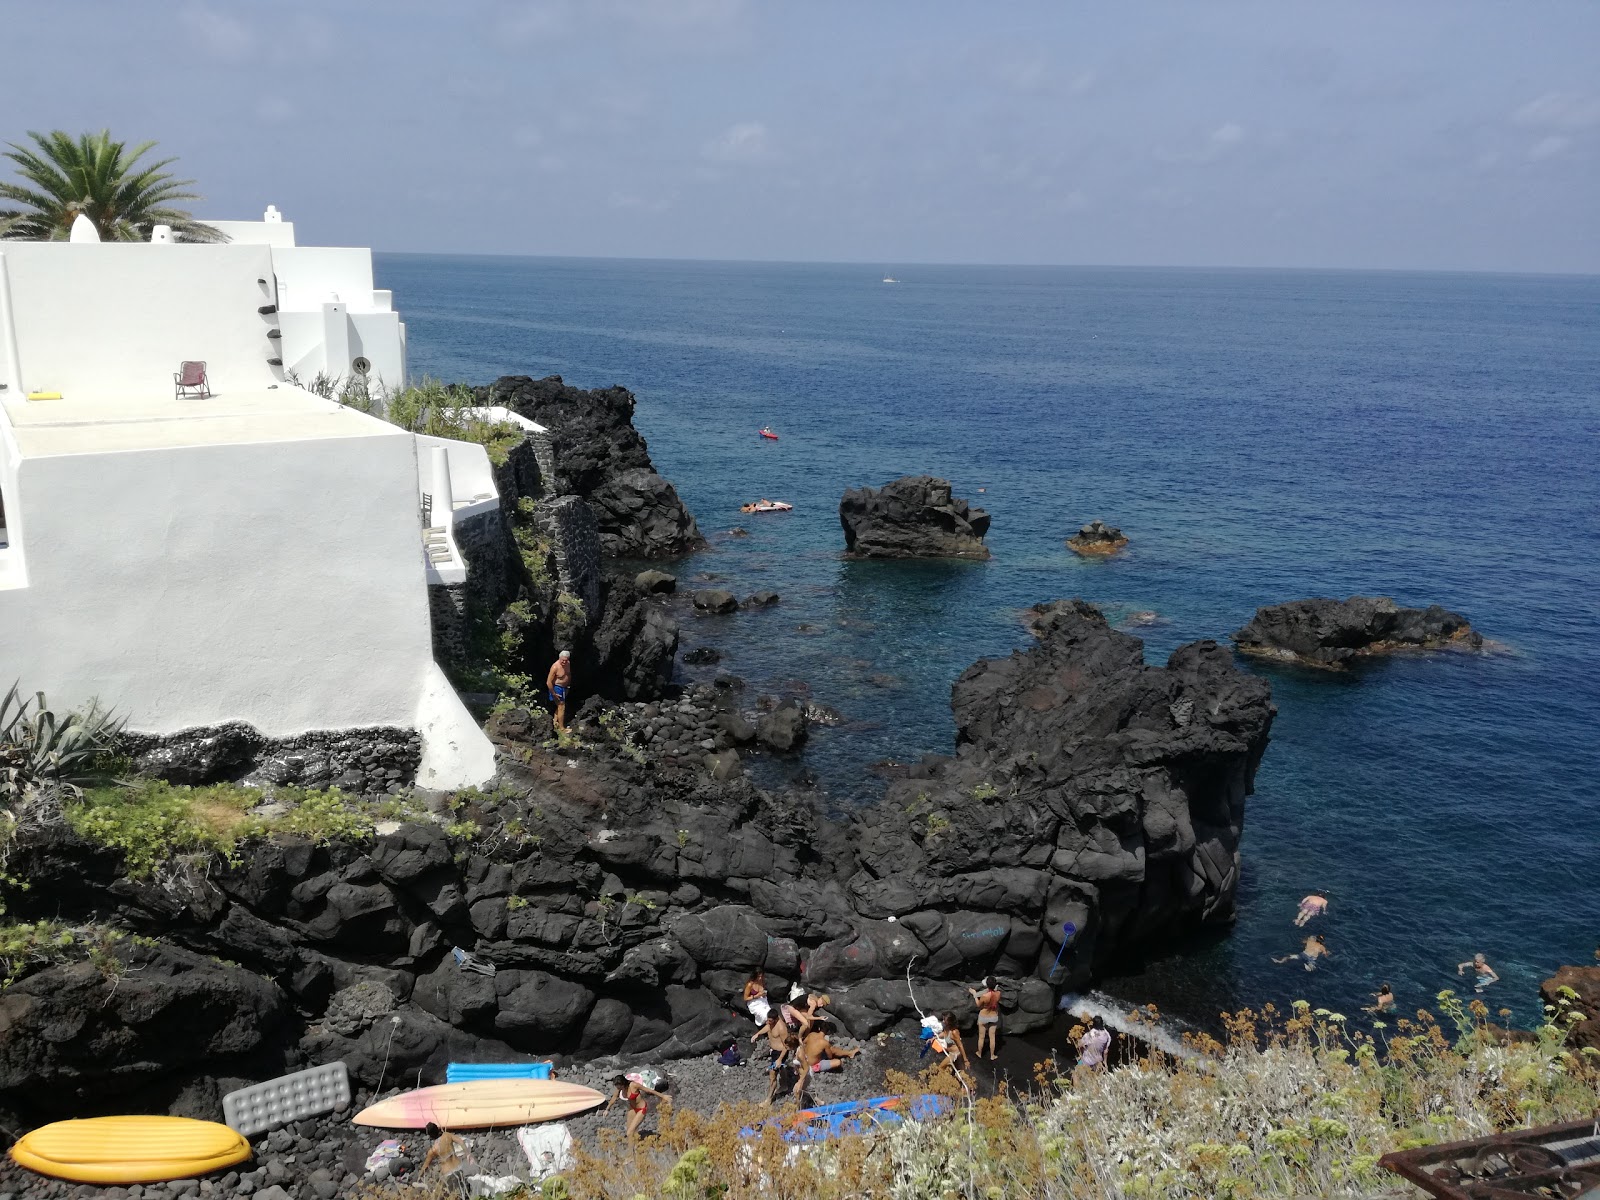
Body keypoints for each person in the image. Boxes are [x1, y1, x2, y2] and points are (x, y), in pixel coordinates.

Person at [793, 1022, 860, 1097]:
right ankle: (849, 1053)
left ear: (819, 1028)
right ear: (828, 1032)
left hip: (803, 1059)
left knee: (830, 1049)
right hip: (812, 1066)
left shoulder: (811, 1034)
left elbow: (803, 1043)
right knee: (837, 1061)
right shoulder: (825, 1043)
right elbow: (830, 1056)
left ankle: (849, 1053)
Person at [607, 1073, 669, 1140]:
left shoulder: (634, 1085)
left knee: (629, 1132)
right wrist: (607, 1109)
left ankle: (634, 1147)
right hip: (632, 1108)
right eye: (617, 1087)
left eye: (620, 1087)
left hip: (641, 1109)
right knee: (630, 1132)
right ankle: (631, 1148)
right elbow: (614, 1097)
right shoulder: (620, 1088)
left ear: (623, 1084)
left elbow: (649, 1090)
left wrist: (663, 1096)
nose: (619, 1089)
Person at [419, 1121, 473, 1198]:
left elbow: (425, 1166)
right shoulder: (447, 1135)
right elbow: (461, 1141)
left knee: (442, 1195)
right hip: (459, 1167)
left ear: (430, 1135)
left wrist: (419, 1177)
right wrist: (468, 1154)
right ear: (437, 1129)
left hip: (448, 1174)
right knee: (463, 1190)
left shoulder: (433, 1150)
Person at [968, 976, 1002, 1061]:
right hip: (994, 1016)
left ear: (987, 985)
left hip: (984, 1016)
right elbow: (994, 996)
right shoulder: (998, 994)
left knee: (982, 1037)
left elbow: (979, 1005)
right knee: (992, 1037)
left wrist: (975, 995)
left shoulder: (984, 996)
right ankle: (992, 1055)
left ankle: (979, 1053)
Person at [546, 649, 572, 732]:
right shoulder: (555, 667)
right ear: (559, 658)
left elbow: (568, 675)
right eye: (562, 660)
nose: (564, 662)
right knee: (561, 706)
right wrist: (553, 693)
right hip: (556, 688)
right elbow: (548, 682)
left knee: (559, 706)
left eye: (566, 660)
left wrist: (568, 686)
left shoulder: (568, 664)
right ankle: (562, 728)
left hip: (564, 687)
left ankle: (555, 723)